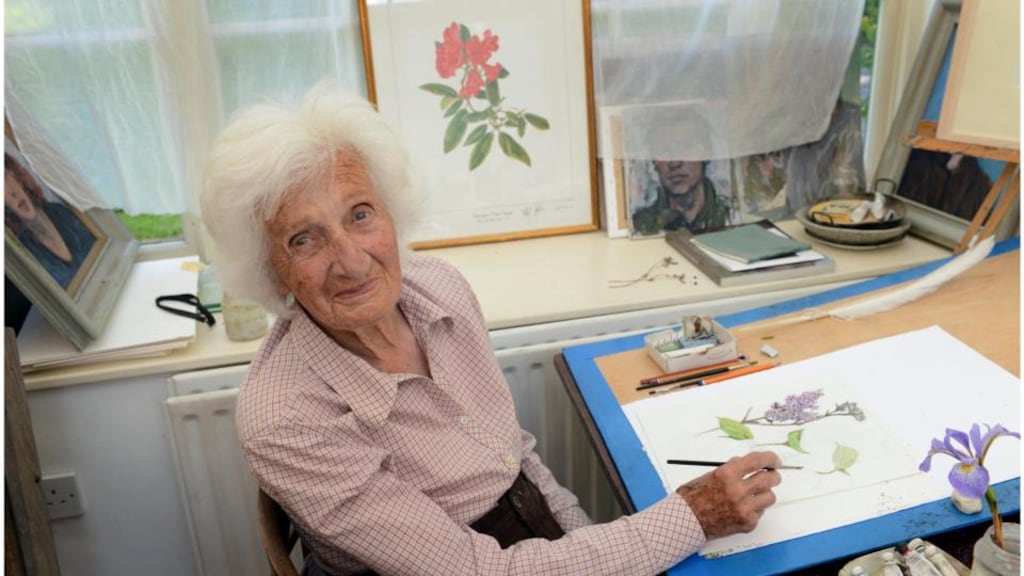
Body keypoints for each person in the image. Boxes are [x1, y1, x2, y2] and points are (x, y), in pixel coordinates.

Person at [202, 81, 781, 576]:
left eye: (360, 214)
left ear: (391, 212)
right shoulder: (286, 419)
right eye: (304, 239)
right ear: (270, 269)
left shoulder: (440, 289)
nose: (351, 261)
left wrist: (593, 539)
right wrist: (686, 519)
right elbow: (476, 570)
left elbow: (516, 458)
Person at [4, 151, 97, 290]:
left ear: (17, 177)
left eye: (5, 176)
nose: (12, 192)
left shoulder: (60, 212)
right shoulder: (23, 252)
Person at [630, 158, 732, 236]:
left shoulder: (732, 215)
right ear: (654, 164)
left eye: (685, 147)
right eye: (664, 153)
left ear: (705, 156)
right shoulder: (640, 225)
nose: (674, 164)